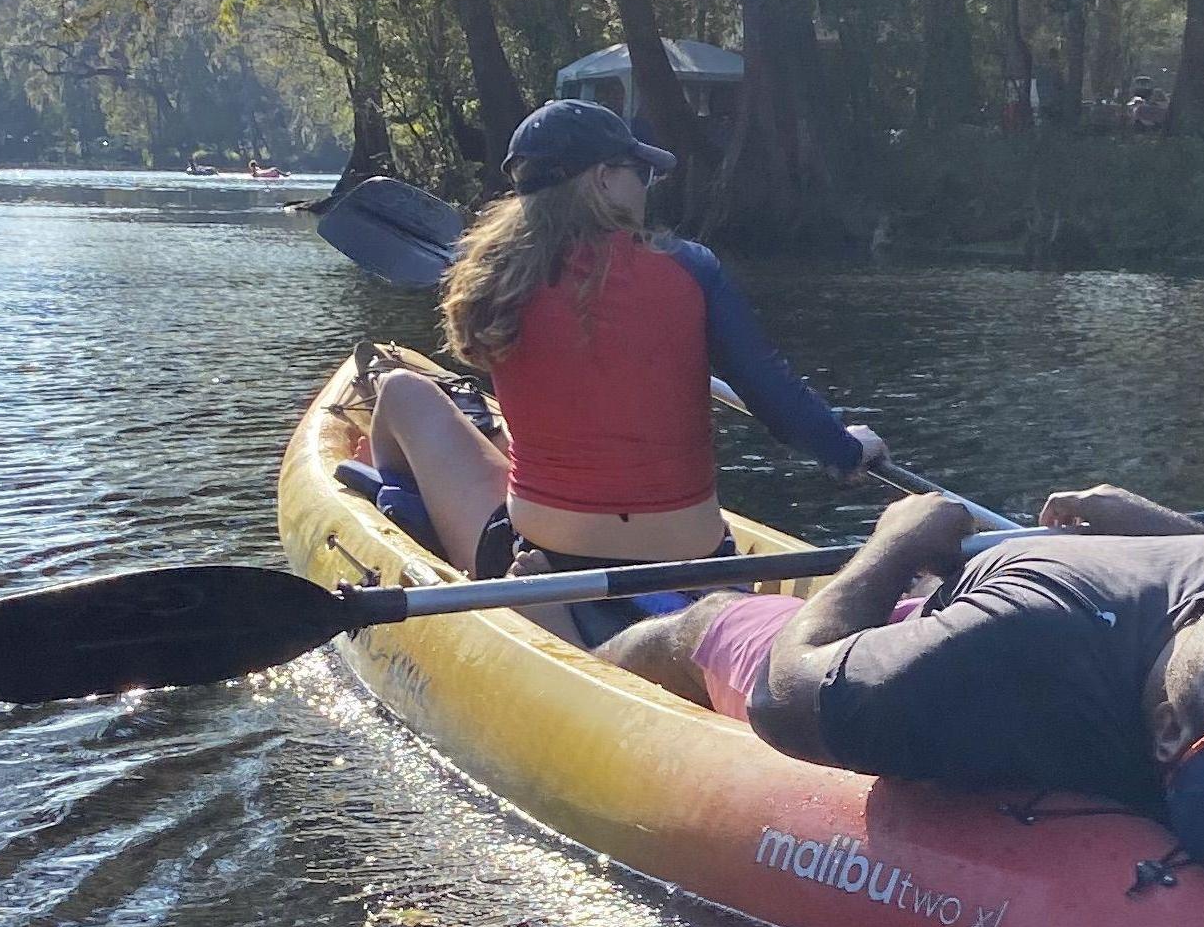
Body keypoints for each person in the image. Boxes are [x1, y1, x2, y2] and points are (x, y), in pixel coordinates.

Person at [599, 482, 1204, 890]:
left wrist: (896, 539)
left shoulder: (1009, 652)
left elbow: (788, 696)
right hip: (1081, 557)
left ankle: (588, 659)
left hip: (941, 612)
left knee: (699, 618)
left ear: (1167, 735)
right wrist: (1142, 524)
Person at [367, 98, 885, 641]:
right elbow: (771, 392)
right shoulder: (692, 268)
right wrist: (844, 449)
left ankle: (408, 530)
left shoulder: (489, 283)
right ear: (604, 178)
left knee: (402, 392)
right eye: (639, 172)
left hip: (549, 560)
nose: (646, 187)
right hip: (695, 565)